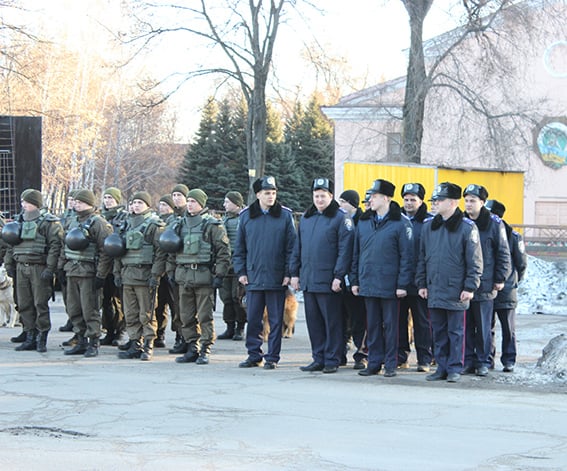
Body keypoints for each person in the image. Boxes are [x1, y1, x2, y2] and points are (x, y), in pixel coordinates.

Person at [416, 182, 483, 383]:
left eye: (440, 200)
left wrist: (470, 286)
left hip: (455, 289)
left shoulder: (466, 227)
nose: (435, 203)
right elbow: (422, 257)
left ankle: (455, 367)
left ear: (453, 202)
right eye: (434, 200)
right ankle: (442, 367)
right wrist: (421, 283)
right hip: (434, 287)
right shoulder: (429, 226)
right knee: (437, 331)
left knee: (456, 332)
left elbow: (474, 260)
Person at [350, 179, 414, 378]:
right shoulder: (364, 221)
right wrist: (355, 280)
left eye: (375, 196)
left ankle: (391, 363)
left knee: (391, 326)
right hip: (368, 282)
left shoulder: (401, 223)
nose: (370, 200)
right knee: (373, 325)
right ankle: (374, 362)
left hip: (390, 285)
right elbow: (356, 253)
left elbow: (407, 256)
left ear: (386, 198)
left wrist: (403, 284)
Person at [233, 176, 296, 370]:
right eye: (267, 193)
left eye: (273, 193)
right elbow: (239, 248)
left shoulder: (285, 216)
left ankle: (272, 357)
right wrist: (241, 271)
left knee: (276, 320)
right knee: (253, 319)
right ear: (258, 194)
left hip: (276, 278)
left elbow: (291, 248)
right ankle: (254, 354)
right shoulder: (246, 216)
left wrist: (288, 272)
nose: (271, 196)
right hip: (253, 277)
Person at [291, 178, 353, 373]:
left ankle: (333, 359)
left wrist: (338, 276)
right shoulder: (307, 218)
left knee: (332, 322)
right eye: (316, 196)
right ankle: (318, 357)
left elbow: (345, 250)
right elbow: (297, 248)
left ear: (331, 196)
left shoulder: (340, 218)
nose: (319, 199)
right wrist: (294, 273)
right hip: (309, 279)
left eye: (323, 196)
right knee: (314, 323)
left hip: (329, 281)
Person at [167, 189, 230, 365]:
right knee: (185, 316)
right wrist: (171, 271)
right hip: (183, 276)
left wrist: (220, 274)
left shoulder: (212, 225)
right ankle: (191, 347)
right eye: (189, 201)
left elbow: (223, 252)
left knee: (204, 316)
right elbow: (171, 250)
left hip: (203, 276)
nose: (190, 204)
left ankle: (205, 348)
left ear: (202, 203)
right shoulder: (179, 224)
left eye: (194, 201)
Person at [4, 189, 63, 353]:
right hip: (21, 267)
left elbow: (55, 247)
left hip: (39, 267)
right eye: (22, 202)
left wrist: (50, 269)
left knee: (40, 303)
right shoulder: (19, 221)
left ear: (35, 203)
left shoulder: (48, 222)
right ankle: (30, 335)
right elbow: (11, 245)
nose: (23, 205)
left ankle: (41, 336)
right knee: (24, 303)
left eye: (27, 202)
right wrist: (9, 264)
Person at [462, 184, 511, 377]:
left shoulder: (494, 223)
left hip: (486, 283)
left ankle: (483, 361)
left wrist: (500, 278)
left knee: (483, 327)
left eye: (473, 201)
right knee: (465, 326)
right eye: (466, 200)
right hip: (464, 284)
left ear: (482, 203)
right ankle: (467, 361)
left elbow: (503, 253)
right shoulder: (462, 221)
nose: (468, 204)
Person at [59, 189, 114, 357]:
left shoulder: (98, 223)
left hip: (89, 272)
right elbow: (64, 246)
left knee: (90, 309)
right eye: (75, 201)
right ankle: (81, 340)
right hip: (72, 271)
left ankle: (93, 342)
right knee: (74, 308)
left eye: (80, 202)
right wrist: (61, 267)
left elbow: (106, 251)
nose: (76, 204)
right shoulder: (72, 221)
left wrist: (101, 275)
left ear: (89, 203)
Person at [114, 192, 166, 361]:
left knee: (147, 313)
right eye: (134, 202)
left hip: (145, 275)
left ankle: (148, 344)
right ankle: (134, 342)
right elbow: (117, 249)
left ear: (147, 205)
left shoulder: (154, 225)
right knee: (130, 312)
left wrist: (156, 274)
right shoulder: (126, 223)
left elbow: (161, 253)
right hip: (127, 274)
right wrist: (117, 272)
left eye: (140, 203)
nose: (135, 205)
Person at [485, 199, 528, 372]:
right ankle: (488, 360)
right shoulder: (482, 231)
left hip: (507, 289)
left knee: (508, 328)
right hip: (487, 289)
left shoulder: (513, 236)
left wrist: (514, 281)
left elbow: (521, 262)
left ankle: (509, 360)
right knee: (486, 328)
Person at [398, 182, 433, 372]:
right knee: (399, 322)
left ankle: (424, 359)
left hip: (420, 282)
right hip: (400, 282)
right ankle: (401, 357)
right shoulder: (397, 220)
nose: (409, 203)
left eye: (413, 200)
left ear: (421, 201)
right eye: (406, 199)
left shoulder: (429, 222)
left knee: (422, 323)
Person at [338, 189, 368, 369]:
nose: (340, 205)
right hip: (342, 277)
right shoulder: (339, 220)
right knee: (341, 318)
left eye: (343, 202)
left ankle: (361, 353)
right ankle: (340, 352)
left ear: (352, 204)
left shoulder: (363, 221)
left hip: (358, 278)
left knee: (359, 318)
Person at [217, 191, 247, 341]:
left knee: (238, 297)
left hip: (239, 263)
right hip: (225, 264)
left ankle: (240, 328)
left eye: (227, 202)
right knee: (226, 297)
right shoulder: (223, 220)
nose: (224, 205)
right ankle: (229, 326)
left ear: (236, 203)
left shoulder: (245, 218)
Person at [100, 187, 128, 346]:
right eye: (106, 198)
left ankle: (120, 332)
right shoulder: (99, 217)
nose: (108, 201)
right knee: (106, 301)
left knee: (120, 301)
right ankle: (109, 331)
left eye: (111, 198)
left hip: (119, 265)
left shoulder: (124, 218)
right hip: (104, 265)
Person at [167, 183, 190, 352]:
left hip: (190, 268)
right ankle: (179, 335)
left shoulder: (191, 219)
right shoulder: (171, 220)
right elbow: (167, 248)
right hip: (175, 268)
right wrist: (169, 270)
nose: (176, 198)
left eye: (180, 195)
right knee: (176, 306)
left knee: (187, 307)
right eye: (174, 195)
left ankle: (189, 338)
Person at [153, 194, 176, 348]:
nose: (163, 207)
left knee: (175, 305)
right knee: (159, 304)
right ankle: (159, 334)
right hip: (160, 269)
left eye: (166, 205)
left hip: (172, 269)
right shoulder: (156, 222)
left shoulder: (176, 222)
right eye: (161, 204)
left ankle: (181, 336)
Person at [58, 189, 77, 333]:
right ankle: (71, 319)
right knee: (68, 296)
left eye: (74, 200)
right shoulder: (63, 217)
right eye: (69, 199)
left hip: (82, 265)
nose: (71, 202)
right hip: (67, 262)